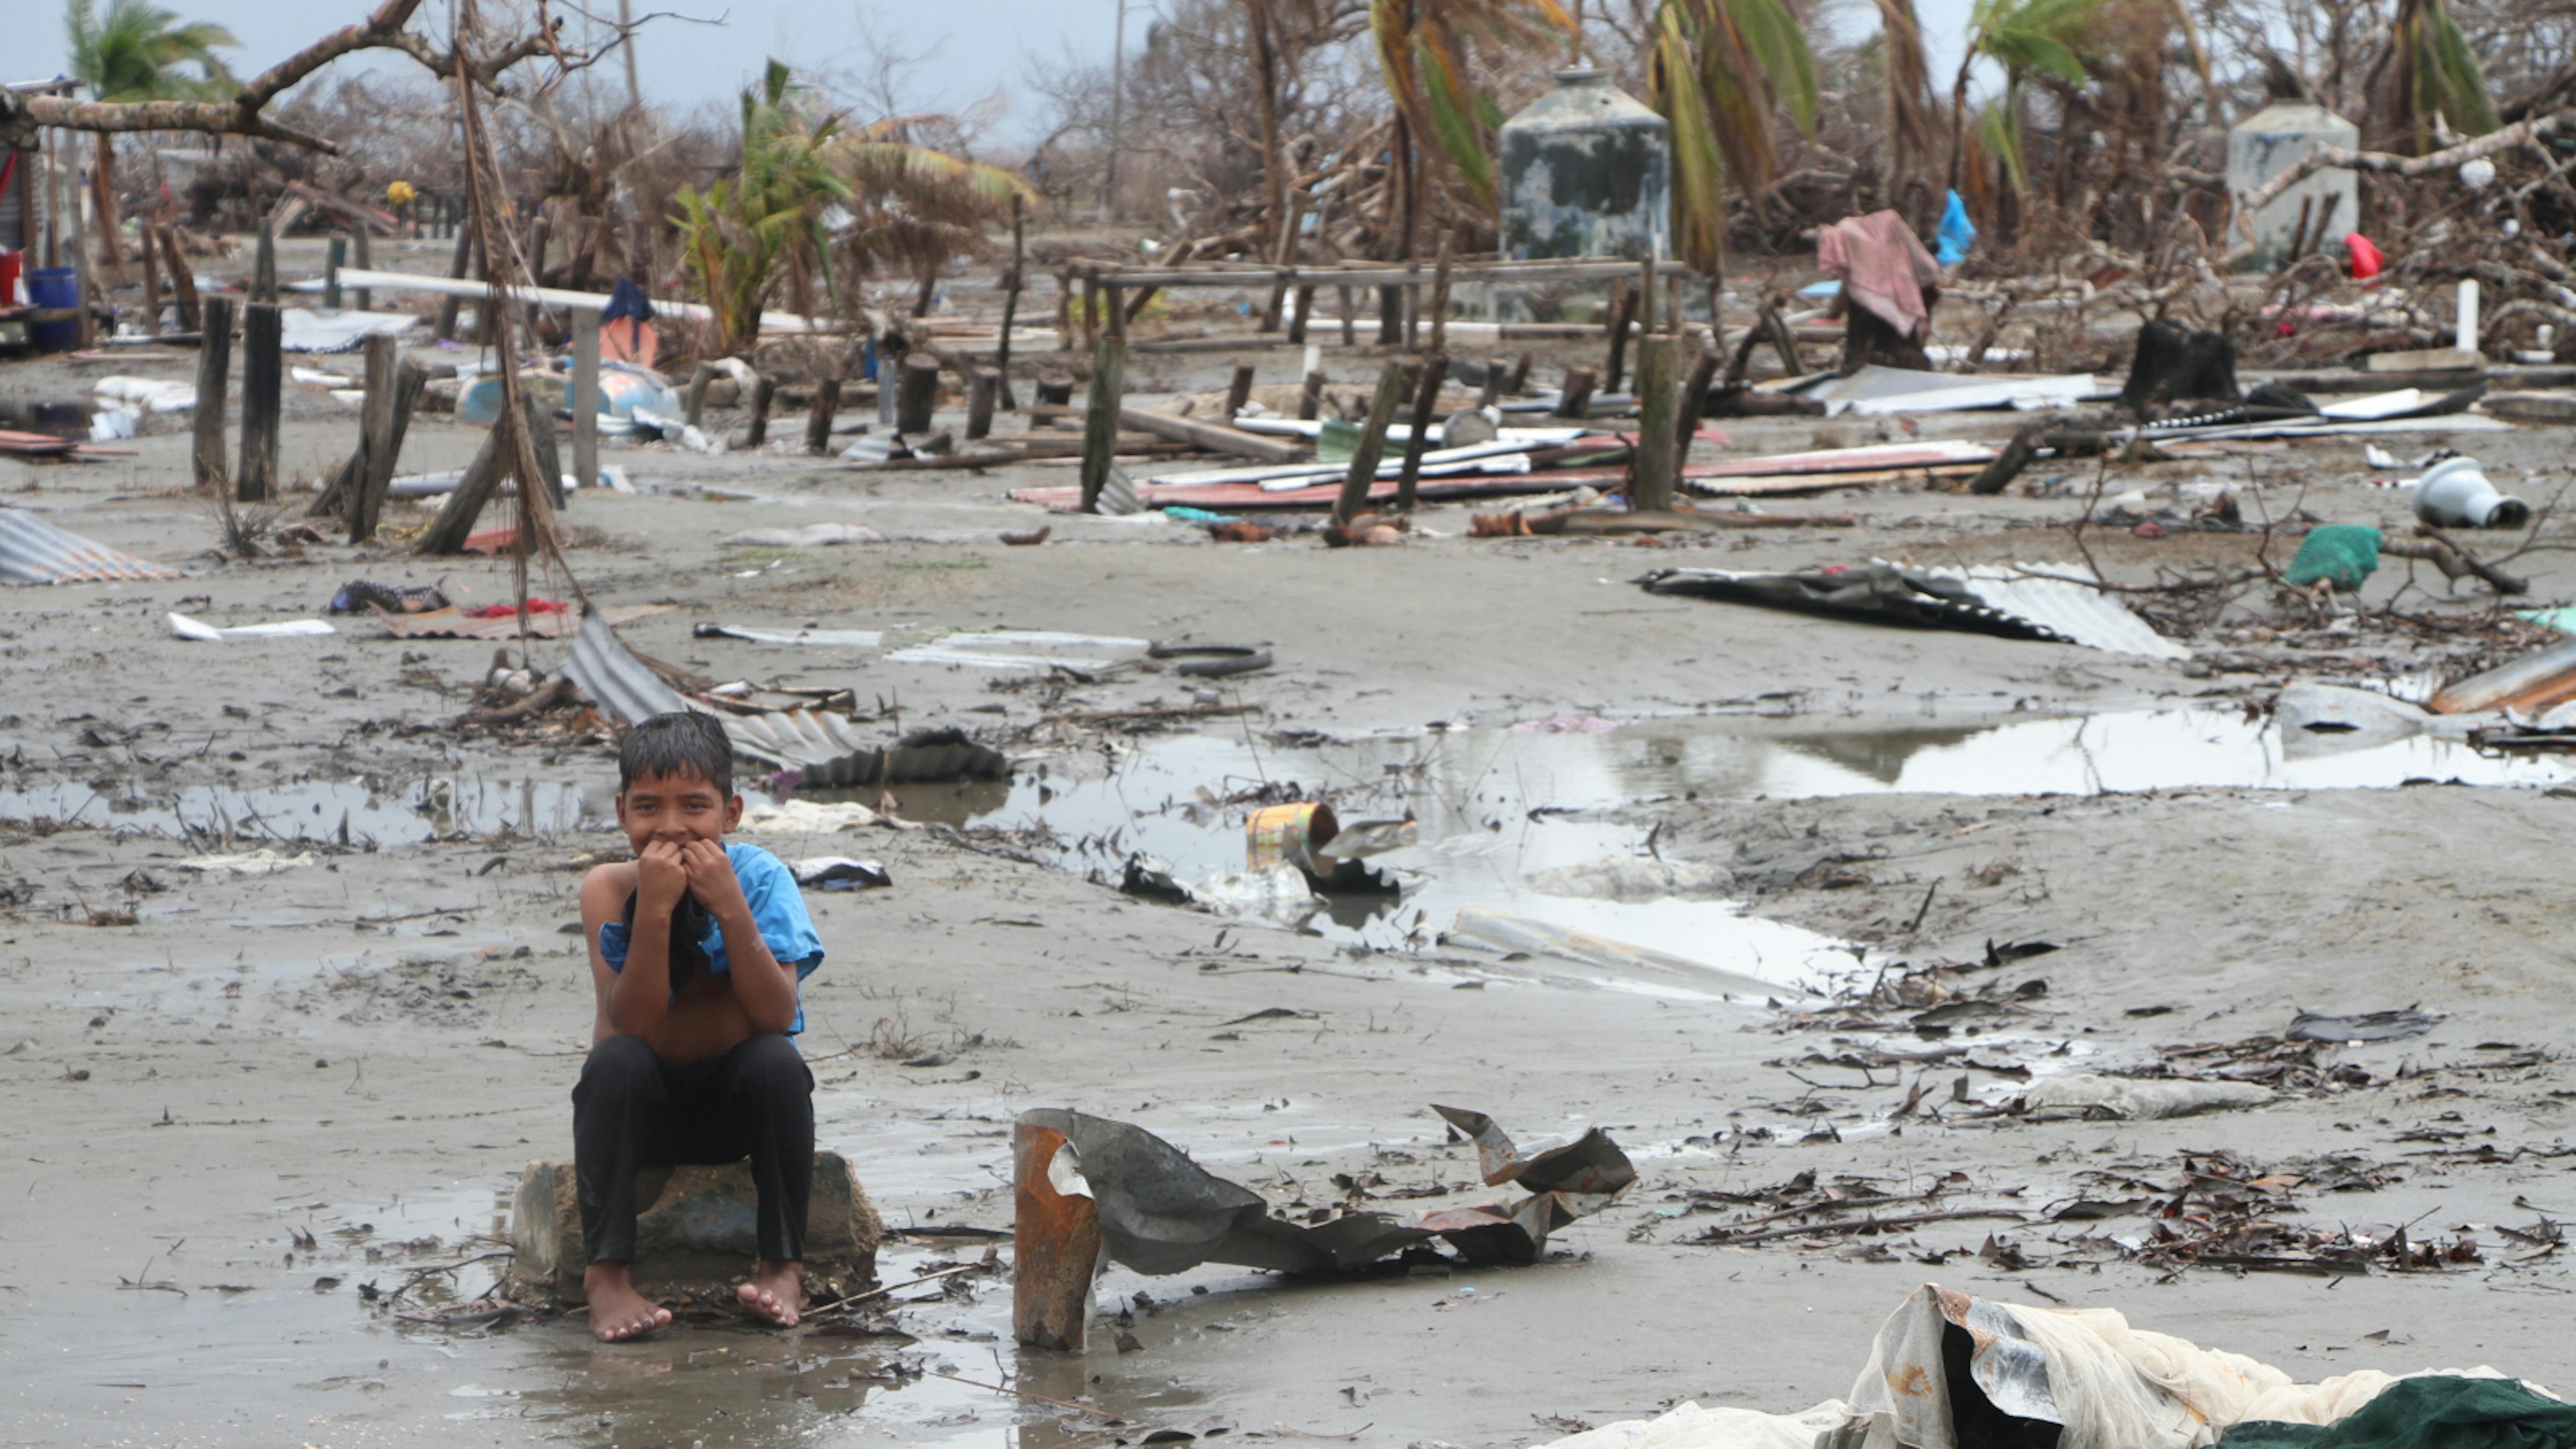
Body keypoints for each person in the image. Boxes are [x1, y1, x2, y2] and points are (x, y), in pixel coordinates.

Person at [573, 711, 825, 1341]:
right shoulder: (608, 887)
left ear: (731, 813)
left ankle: (782, 1267)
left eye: (694, 807)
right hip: (643, 1114)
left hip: (735, 1112)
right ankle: (606, 1277)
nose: (672, 827)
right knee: (612, 1064)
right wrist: (655, 910)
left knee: (778, 1064)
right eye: (648, 808)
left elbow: (775, 1015)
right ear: (622, 811)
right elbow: (630, 1022)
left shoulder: (763, 879)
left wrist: (728, 904)